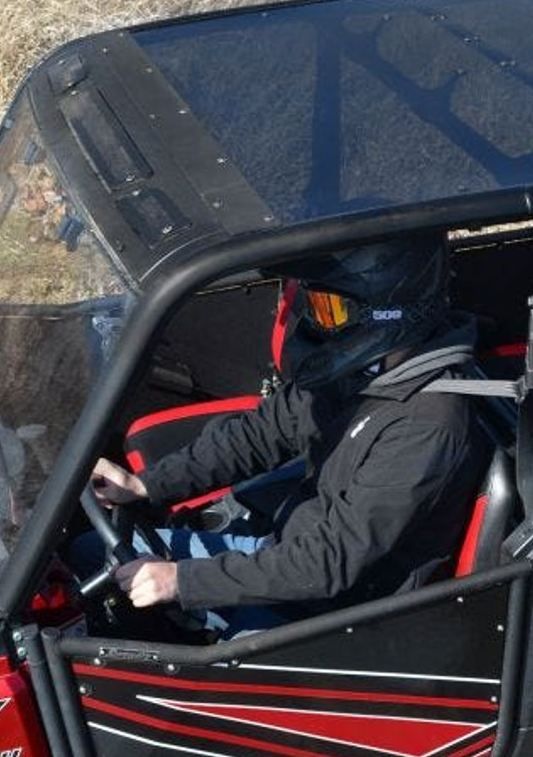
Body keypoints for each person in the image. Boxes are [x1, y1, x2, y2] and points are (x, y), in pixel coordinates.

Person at [85, 232, 492, 636]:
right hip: (286, 552)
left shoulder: (428, 425)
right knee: (87, 556)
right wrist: (144, 486)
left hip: (335, 612)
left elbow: (334, 561)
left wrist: (182, 581)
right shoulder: (361, 373)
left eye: (330, 310)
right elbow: (260, 433)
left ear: (390, 313)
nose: (317, 323)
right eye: (312, 306)